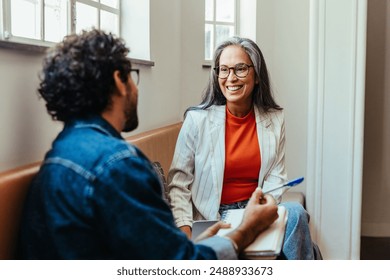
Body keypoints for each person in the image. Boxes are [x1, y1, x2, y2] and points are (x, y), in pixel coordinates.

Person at [18, 29, 279, 260]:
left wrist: (203, 240)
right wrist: (247, 230)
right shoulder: (118, 167)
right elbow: (182, 266)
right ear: (119, 81)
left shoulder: (60, 152)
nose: (136, 87)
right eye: (132, 75)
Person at [167, 36, 319, 260]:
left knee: (296, 213)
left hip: (255, 209)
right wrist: (185, 235)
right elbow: (178, 184)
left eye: (240, 69)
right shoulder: (197, 120)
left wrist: (257, 213)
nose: (231, 78)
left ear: (256, 75)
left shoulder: (274, 119)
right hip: (215, 218)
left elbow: (276, 177)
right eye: (224, 69)